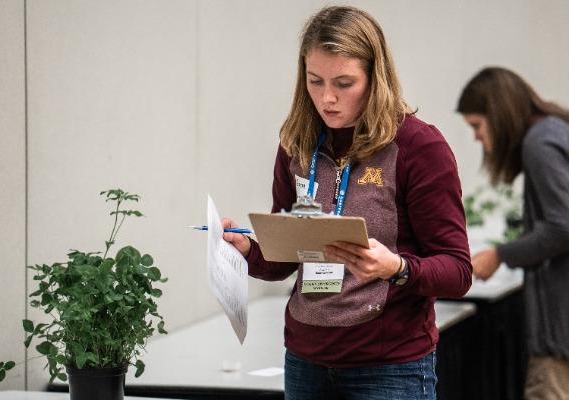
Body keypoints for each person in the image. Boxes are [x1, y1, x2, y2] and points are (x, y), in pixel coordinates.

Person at [223, 6, 472, 399]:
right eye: (315, 80)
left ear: (376, 78)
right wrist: (248, 252)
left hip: (389, 367)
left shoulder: (419, 147)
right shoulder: (297, 143)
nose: (327, 98)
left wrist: (397, 267)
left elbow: (458, 271)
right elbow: (287, 259)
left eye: (344, 83)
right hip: (305, 361)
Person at [457, 67, 569, 400]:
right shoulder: (555, 130)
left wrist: (500, 254)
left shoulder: (540, 142)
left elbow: (563, 226)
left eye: (477, 125)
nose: (477, 137)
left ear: (501, 115)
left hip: (559, 337)